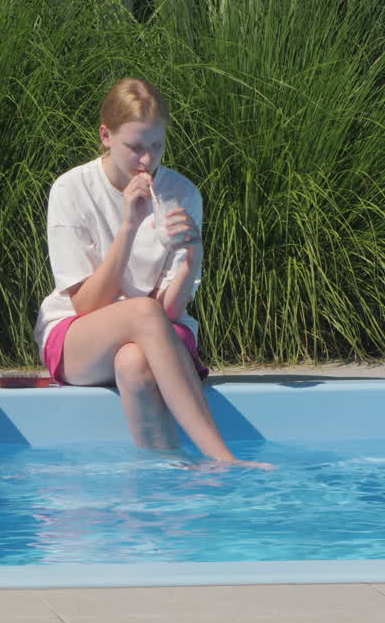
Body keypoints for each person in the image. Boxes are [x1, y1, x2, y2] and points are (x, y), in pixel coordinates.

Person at [34, 77, 268, 467]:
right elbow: (87, 305)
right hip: (79, 336)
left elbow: (169, 312)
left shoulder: (182, 193)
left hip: (156, 336)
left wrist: (192, 256)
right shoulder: (71, 189)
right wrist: (128, 226)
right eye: (135, 148)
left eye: (157, 147)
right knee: (143, 313)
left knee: (133, 361)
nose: (147, 161)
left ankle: (163, 482)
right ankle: (221, 457)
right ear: (105, 136)